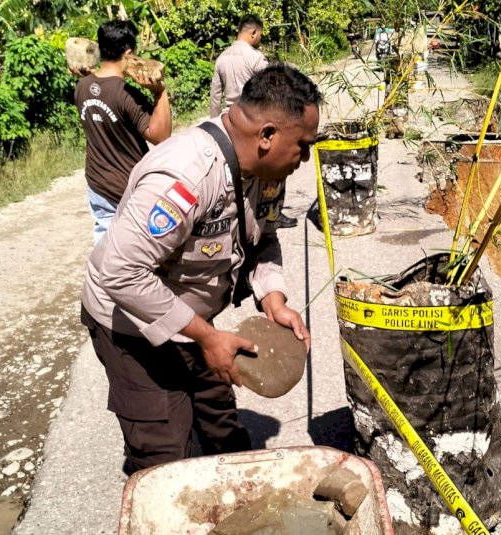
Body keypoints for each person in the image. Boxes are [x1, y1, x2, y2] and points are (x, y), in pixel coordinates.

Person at [81, 64, 322, 474]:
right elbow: (119, 271)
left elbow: (261, 238)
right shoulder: (185, 173)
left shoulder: (266, 171)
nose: (306, 157)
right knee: (166, 462)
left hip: (192, 321)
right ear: (266, 136)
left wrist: (273, 299)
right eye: (302, 145)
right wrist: (207, 336)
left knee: (224, 433)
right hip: (130, 327)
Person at [74, 20, 172, 244]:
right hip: (127, 188)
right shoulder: (126, 94)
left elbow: (97, 89)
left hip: (96, 182)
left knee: (105, 245)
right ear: (129, 52)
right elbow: (161, 136)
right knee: (136, 250)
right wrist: (160, 93)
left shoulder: (82, 86)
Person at [210, 14, 298, 229]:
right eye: (259, 34)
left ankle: (237, 214)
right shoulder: (255, 58)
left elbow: (215, 95)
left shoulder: (221, 58)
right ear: (253, 32)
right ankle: (271, 214)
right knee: (269, 167)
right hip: (254, 121)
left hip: (228, 122)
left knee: (236, 172)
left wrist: (214, 124)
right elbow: (271, 89)